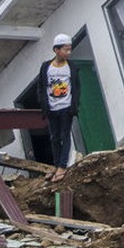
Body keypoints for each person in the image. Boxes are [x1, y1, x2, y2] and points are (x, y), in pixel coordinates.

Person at [37, 34, 81, 183]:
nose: (68, 53)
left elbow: (76, 87)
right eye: (65, 50)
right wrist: (44, 105)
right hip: (52, 108)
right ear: (56, 50)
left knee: (65, 135)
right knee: (54, 137)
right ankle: (56, 165)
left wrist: (75, 106)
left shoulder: (72, 67)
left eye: (70, 50)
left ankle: (62, 166)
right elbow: (41, 87)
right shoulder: (46, 67)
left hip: (66, 107)